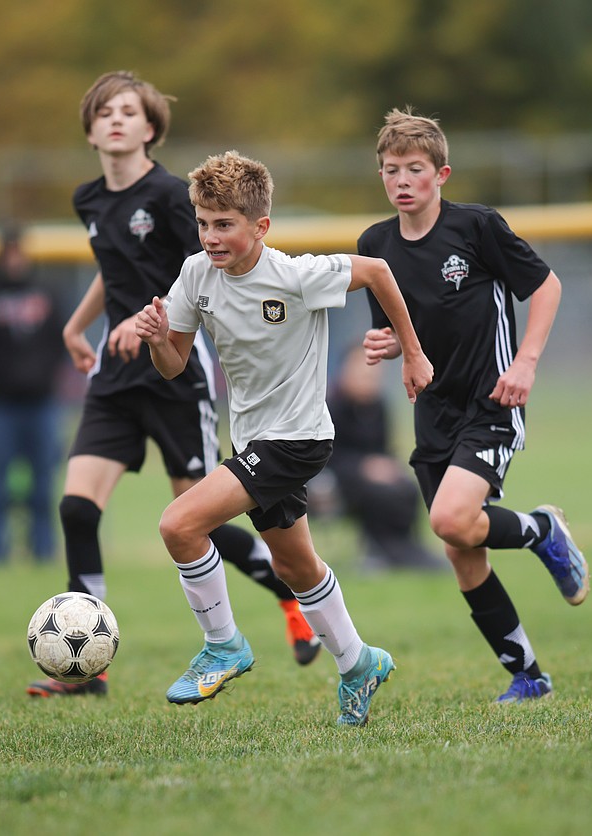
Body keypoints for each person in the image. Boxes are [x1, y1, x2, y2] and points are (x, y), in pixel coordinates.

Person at [26, 71, 321, 698]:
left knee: (201, 523)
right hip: (113, 377)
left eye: (128, 111)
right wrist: (78, 327)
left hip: (172, 373)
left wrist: (148, 321)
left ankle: (291, 595)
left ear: (151, 127)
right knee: (76, 507)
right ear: (88, 129)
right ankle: (89, 670)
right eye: (103, 111)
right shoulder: (89, 200)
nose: (115, 120)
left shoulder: (168, 196)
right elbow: (114, 272)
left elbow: (203, 273)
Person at [136, 150, 434, 726]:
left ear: (260, 226)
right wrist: (155, 339)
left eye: (224, 224)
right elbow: (172, 364)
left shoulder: (296, 276)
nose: (211, 237)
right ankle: (358, 662)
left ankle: (223, 645)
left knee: (179, 524)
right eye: (202, 223)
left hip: (296, 439)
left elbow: (376, 271)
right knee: (296, 566)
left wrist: (413, 352)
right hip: (254, 440)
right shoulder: (196, 274)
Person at [358, 109, 589, 704]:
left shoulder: (477, 227)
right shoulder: (375, 245)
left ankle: (543, 531)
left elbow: (546, 286)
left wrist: (527, 363)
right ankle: (529, 676)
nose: (402, 179)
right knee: (463, 553)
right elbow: (394, 332)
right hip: (432, 412)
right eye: (391, 170)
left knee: (450, 521)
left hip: (491, 401)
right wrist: (384, 344)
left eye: (415, 169)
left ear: (442, 175)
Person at [0, 223, 66, 564]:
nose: (13, 260)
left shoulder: (47, 293)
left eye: (17, 252)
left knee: (42, 485)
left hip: (41, 404)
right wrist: (4, 376)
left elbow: (59, 342)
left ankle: (43, 552)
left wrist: (40, 375)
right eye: (7, 253)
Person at [326, 343, 447, 573]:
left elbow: (384, 448)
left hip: (373, 472)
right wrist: (364, 466)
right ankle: (383, 550)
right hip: (338, 477)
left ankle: (409, 546)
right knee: (377, 491)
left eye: (372, 376)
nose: (368, 381)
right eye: (361, 374)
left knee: (406, 484)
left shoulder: (378, 405)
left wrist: (388, 466)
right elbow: (328, 456)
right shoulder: (332, 405)